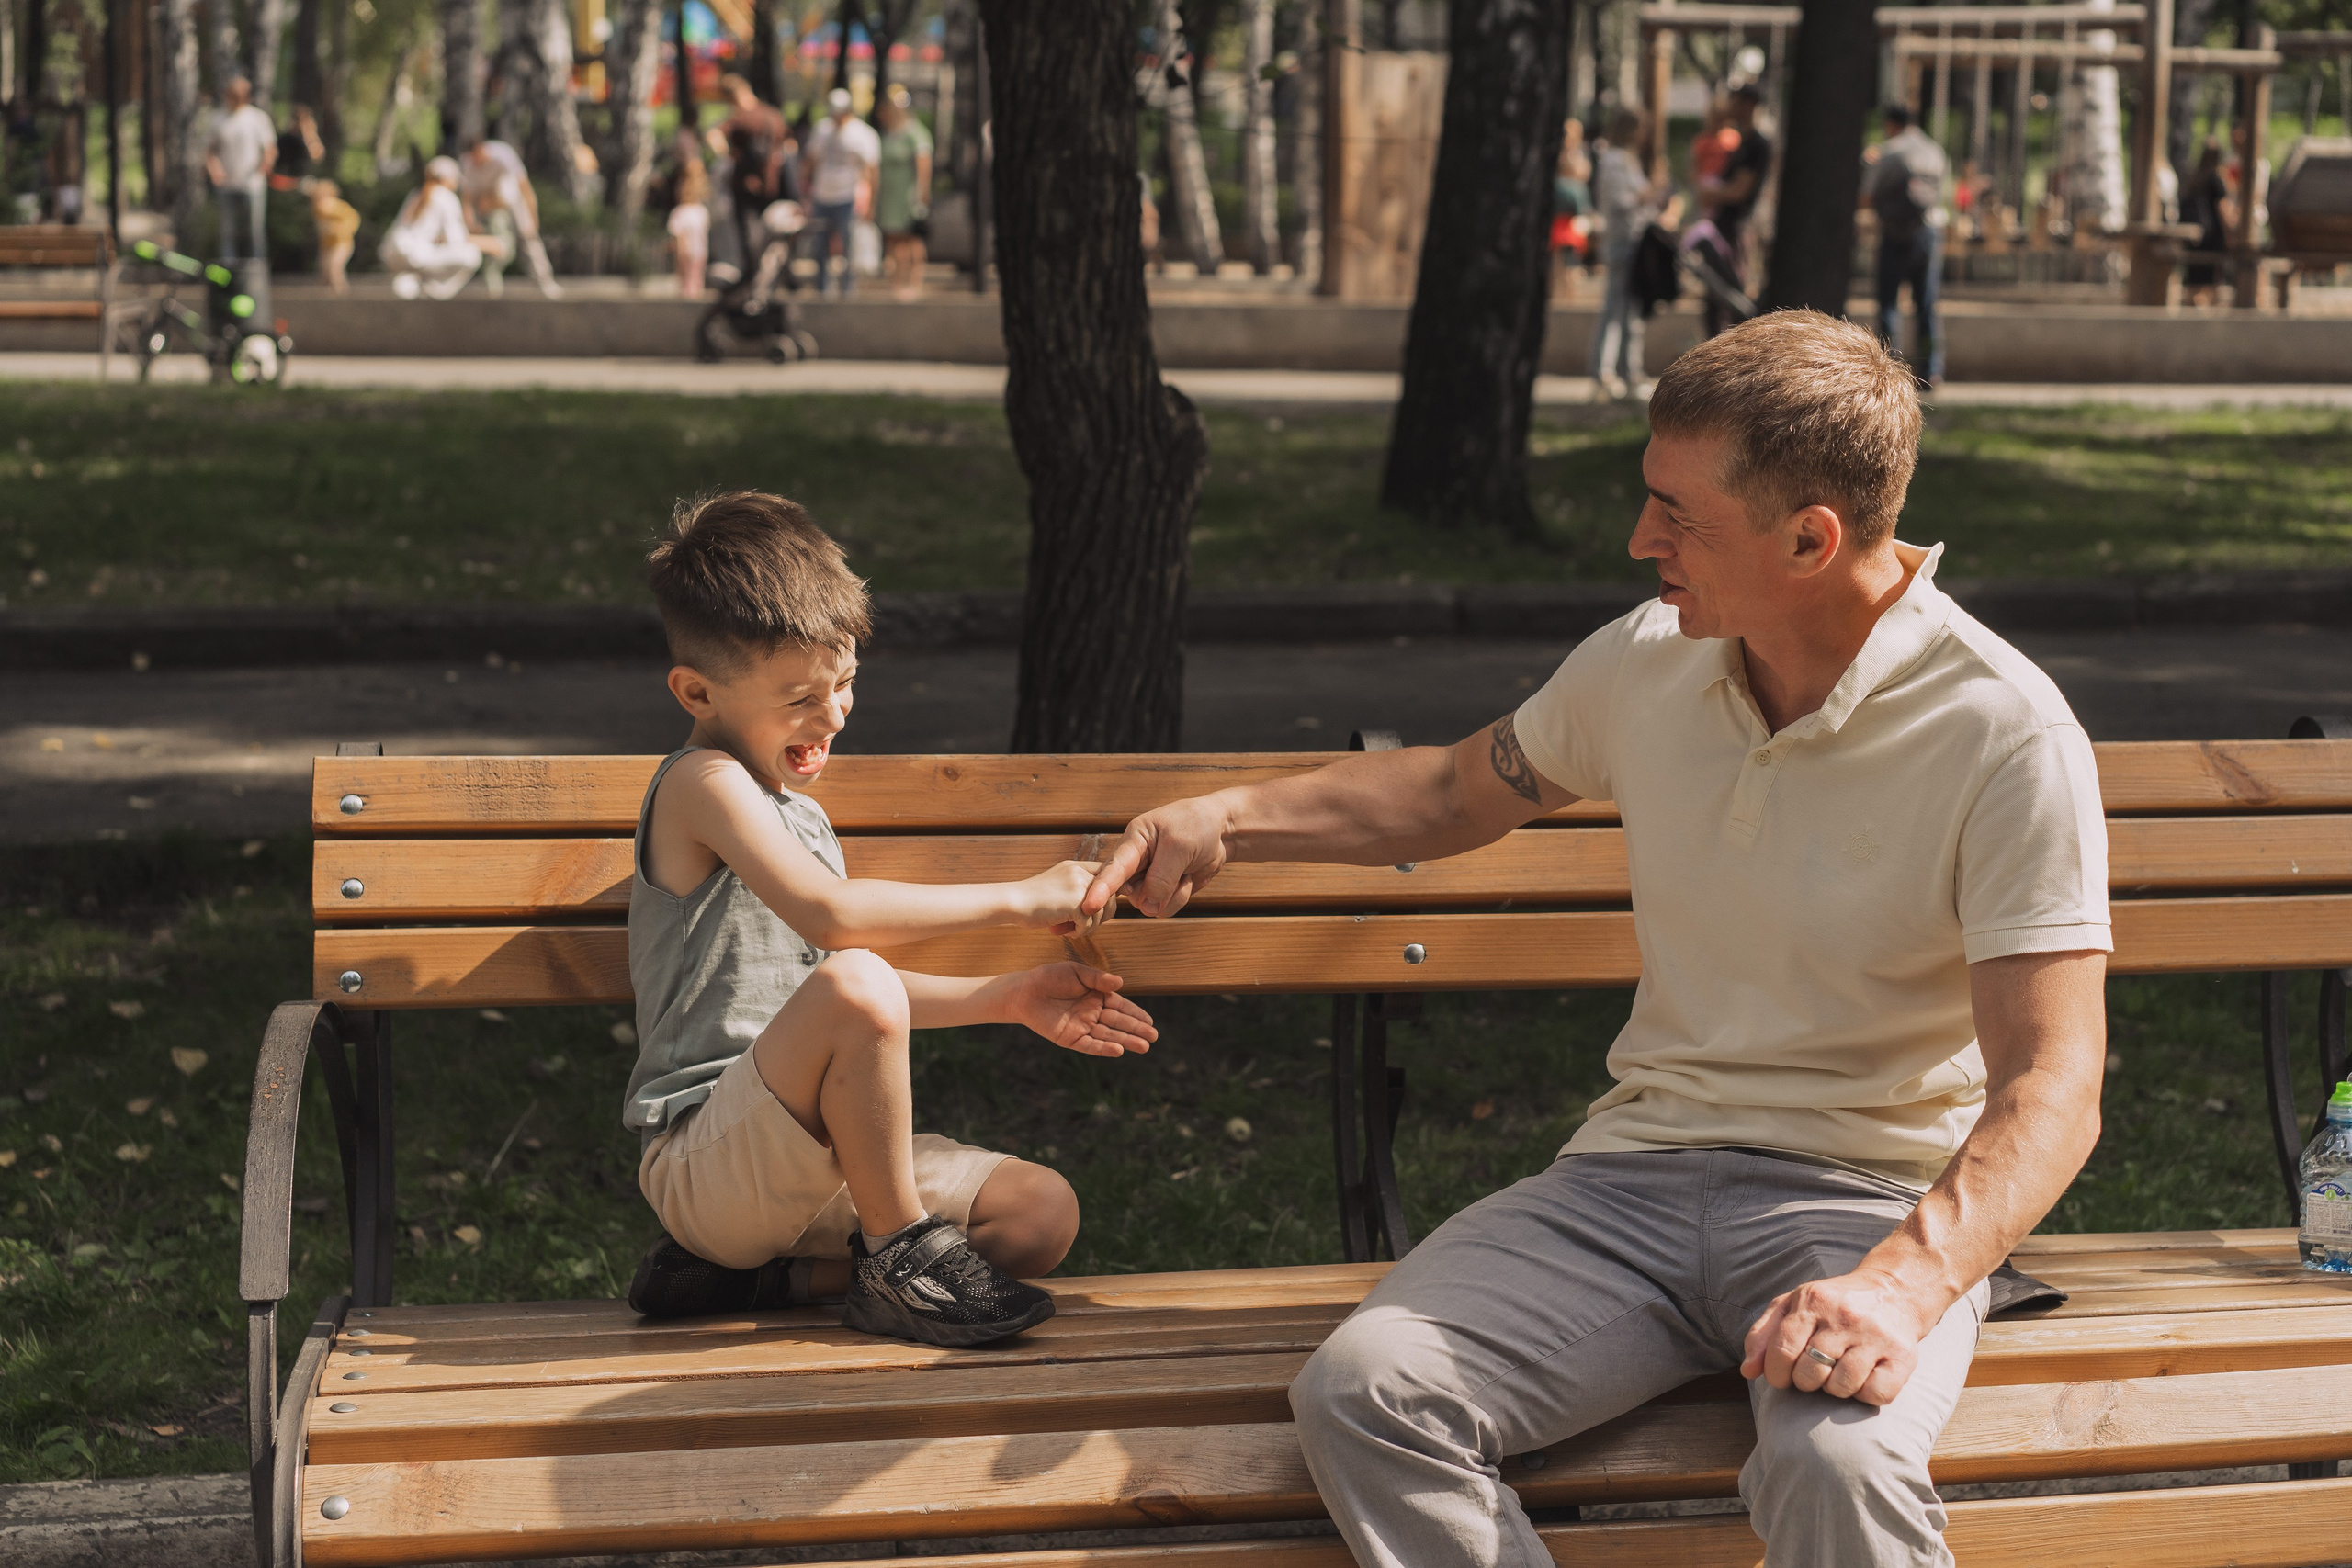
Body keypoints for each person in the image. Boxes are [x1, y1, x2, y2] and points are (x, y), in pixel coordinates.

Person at [1082, 310, 2109, 1568]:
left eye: (1680, 515)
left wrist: (1903, 1279)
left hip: (1866, 1198)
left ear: (1809, 537)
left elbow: (2055, 1083)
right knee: (1367, 1389)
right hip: (1625, 1182)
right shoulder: (1648, 658)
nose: (1641, 541)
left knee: (1837, 1457)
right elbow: (1458, 792)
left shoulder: (2004, 733)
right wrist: (1228, 814)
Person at [623, 491, 1158, 1345]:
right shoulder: (702, 786)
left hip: (815, 1166)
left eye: (845, 684)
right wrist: (1022, 897)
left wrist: (1009, 995)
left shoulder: (796, 815)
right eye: (800, 696)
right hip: (708, 1165)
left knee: (1040, 1215)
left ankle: (775, 1281)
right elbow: (839, 932)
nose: (832, 715)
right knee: (859, 976)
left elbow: (835, 995)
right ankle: (901, 1255)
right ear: (697, 691)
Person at [1863, 104, 1950, 389]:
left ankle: (1890, 370)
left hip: (1894, 234)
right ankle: (1932, 370)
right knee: (1926, 305)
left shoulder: (1891, 151)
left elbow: (1868, 194)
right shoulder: (1935, 151)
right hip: (1928, 232)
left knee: (1889, 304)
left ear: (1891, 124)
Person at [1589, 107, 1663, 399]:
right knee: (1615, 310)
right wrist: (1650, 193)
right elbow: (1621, 202)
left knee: (1630, 312)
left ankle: (1627, 371)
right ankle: (1604, 372)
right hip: (1622, 243)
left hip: (1634, 244)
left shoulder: (1625, 161)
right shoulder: (1615, 161)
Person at [1697, 84, 1771, 338]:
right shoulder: (1740, 142)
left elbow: (1739, 191)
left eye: (1736, 102)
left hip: (1738, 228)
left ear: (1749, 104)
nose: (1730, 108)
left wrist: (1709, 192)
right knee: (1714, 299)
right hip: (1722, 227)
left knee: (1734, 296)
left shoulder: (1757, 145)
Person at [709, 75, 794, 281]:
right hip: (772, 186)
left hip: (745, 186)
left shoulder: (740, 118)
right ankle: (776, 275)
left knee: (749, 236)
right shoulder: (773, 115)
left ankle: (753, 276)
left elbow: (713, 136)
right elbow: (791, 146)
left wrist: (727, 155)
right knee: (772, 233)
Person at [460, 136, 562, 299]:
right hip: (488, 208)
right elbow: (467, 196)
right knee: (495, 243)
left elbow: (523, 185)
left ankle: (544, 281)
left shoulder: (503, 154)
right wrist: (469, 220)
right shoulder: (467, 163)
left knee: (528, 237)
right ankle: (491, 282)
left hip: (512, 203)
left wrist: (531, 212)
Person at [801, 87, 879, 297]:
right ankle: (822, 288)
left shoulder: (863, 134)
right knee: (820, 246)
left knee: (848, 247)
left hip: (848, 198)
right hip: (822, 196)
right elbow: (810, 162)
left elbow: (871, 171)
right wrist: (805, 193)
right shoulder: (822, 130)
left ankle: (847, 289)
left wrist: (870, 202)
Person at [379, 156, 489, 299]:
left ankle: (410, 281)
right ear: (446, 178)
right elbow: (456, 241)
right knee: (472, 255)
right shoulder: (445, 196)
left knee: (413, 274)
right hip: (415, 255)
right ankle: (426, 287)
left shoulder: (416, 193)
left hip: (391, 253)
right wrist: (489, 245)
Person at [204, 77, 277, 262]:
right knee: (227, 234)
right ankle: (229, 276)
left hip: (252, 185)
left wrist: (262, 169)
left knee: (255, 233)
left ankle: (256, 274)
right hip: (226, 185)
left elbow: (269, 149)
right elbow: (209, 150)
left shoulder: (257, 118)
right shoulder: (217, 118)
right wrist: (214, 170)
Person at [876, 84, 933, 299]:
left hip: (908, 196)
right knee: (894, 240)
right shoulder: (889, 134)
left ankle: (913, 281)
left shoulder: (916, 133)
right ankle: (897, 280)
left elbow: (923, 164)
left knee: (910, 240)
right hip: (891, 197)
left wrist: (921, 193)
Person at [2180, 141, 2231, 305]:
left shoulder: (2193, 177)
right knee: (2208, 280)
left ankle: (2192, 306)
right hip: (2212, 235)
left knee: (2194, 277)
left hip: (2194, 234)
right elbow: (2222, 208)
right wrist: (2231, 230)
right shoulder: (2215, 179)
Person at [670, 156, 712, 299]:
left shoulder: (681, 213)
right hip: (698, 253)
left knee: (688, 286)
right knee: (694, 285)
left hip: (692, 254)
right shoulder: (701, 212)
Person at [311, 178, 361, 295]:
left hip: (342, 243)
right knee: (324, 266)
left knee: (334, 266)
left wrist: (341, 229)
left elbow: (353, 219)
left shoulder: (337, 207)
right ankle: (326, 291)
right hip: (327, 244)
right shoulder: (317, 209)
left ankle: (340, 290)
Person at [271, 105, 324, 192]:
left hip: (301, 181)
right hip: (286, 180)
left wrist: (311, 135)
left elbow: (318, 156)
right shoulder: (286, 139)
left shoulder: (307, 140)